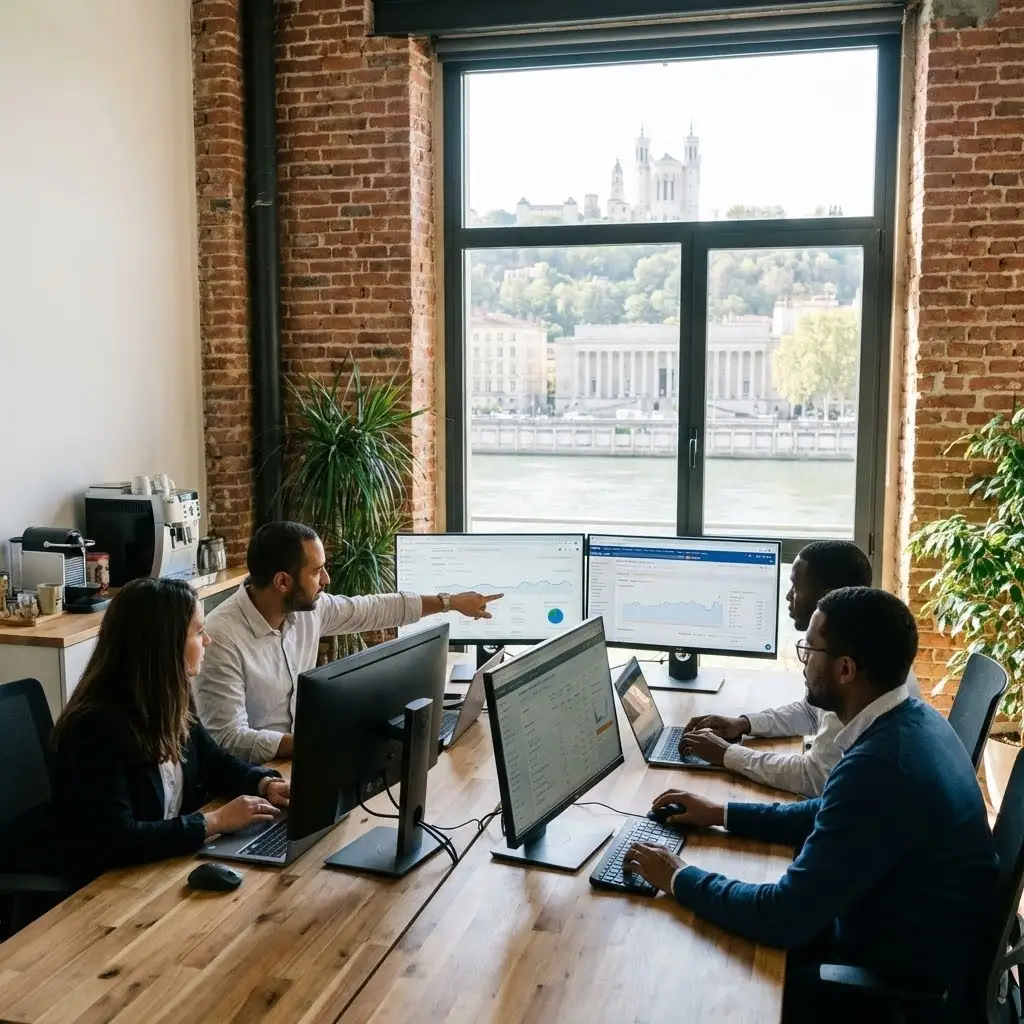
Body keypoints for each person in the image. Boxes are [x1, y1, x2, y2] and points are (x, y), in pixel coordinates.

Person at [624, 587, 997, 1024]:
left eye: (809, 649)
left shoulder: (880, 766)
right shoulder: (913, 718)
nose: (803, 662)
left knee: (721, 988)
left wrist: (679, 877)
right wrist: (723, 814)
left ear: (844, 669)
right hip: (919, 941)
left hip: (906, 985)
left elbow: (783, 916)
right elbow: (828, 811)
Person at [193, 521, 501, 763]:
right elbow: (228, 740)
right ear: (283, 582)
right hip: (252, 777)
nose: (326, 579)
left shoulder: (308, 610)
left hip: (301, 762)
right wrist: (319, 745)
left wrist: (450, 602)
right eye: (316, 571)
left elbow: (375, 609)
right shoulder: (220, 638)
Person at [50, 578, 289, 885]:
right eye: (198, 631)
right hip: (108, 888)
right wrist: (214, 821)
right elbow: (116, 838)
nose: (208, 641)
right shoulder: (94, 727)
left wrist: (265, 783)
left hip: (164, 867)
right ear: (165, 644)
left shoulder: (170, 701)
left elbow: (214, 762)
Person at [681, 540, 920, 796]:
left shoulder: (858, 681)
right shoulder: (873, 648)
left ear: (826, 596)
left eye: (795, 587)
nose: (788, 596)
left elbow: (815, 778)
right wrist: (744, 724)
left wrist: (727, 754)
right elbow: (810, 714)